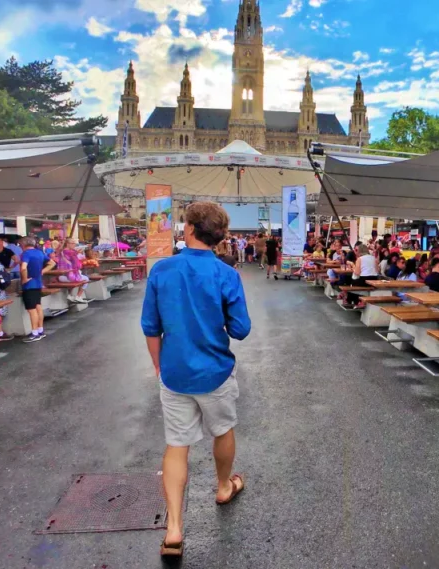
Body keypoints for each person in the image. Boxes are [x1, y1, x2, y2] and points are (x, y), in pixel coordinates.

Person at [140, 202, 250, 558]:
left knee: (177, 444)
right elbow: (241, 329)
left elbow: (150, 326)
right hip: (215, 370)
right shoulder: (226, 274)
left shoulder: (162, 270)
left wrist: (159, 366)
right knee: (223, 429)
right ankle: (223, 486)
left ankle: (173, 529)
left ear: (189, 230)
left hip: (174, 373)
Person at [20, 237, 55, 342]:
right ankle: (40, 330)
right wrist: (42, 271)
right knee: (38, 307)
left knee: (32, 310)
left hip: (29, 285)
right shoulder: (39, 253)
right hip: (38, 283)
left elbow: (23, 268)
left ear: (24, 244)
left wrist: (25, 279)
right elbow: (52, 263)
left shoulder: (26, 254)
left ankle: (34, 333)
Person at [56, 238, 90, 304]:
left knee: (74, 278)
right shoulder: (71, 253)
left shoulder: (62, 251)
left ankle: (70, 295)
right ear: (67, 244)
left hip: (61, 276)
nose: (74, 245)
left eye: (74, 243)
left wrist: (77, 253)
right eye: (73, 243)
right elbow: (77, 265)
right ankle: (78, 296)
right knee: (86, 279)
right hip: (67, 276)